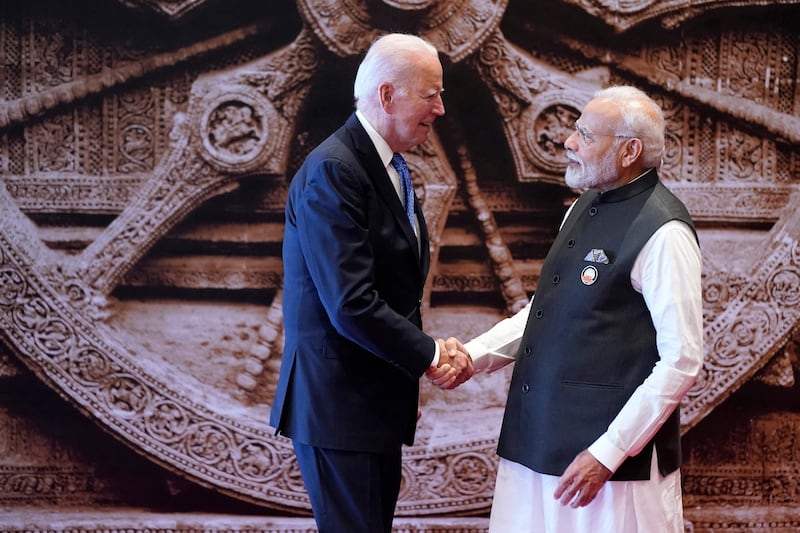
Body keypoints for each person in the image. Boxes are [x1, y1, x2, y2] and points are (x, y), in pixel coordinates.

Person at [457, 85, 704, 532]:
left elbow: (682, 360)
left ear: (630, 150)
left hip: (606, 471)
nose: (569, 143)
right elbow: (549, 312)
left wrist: (608, 452)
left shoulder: (665, 232)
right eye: (575, 129)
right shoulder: (582, 207)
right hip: (534, 445)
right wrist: (473, 358)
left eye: (586, 135)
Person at [269, 33, 474, 533]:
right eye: (431, 95)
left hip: (368, 406)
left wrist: (405, 380)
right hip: (340, 410)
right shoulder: (335, 172)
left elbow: (393, 293)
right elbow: (352, 304)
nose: (441, 109)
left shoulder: (386, 168)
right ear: (387, 95)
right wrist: (429, 357)